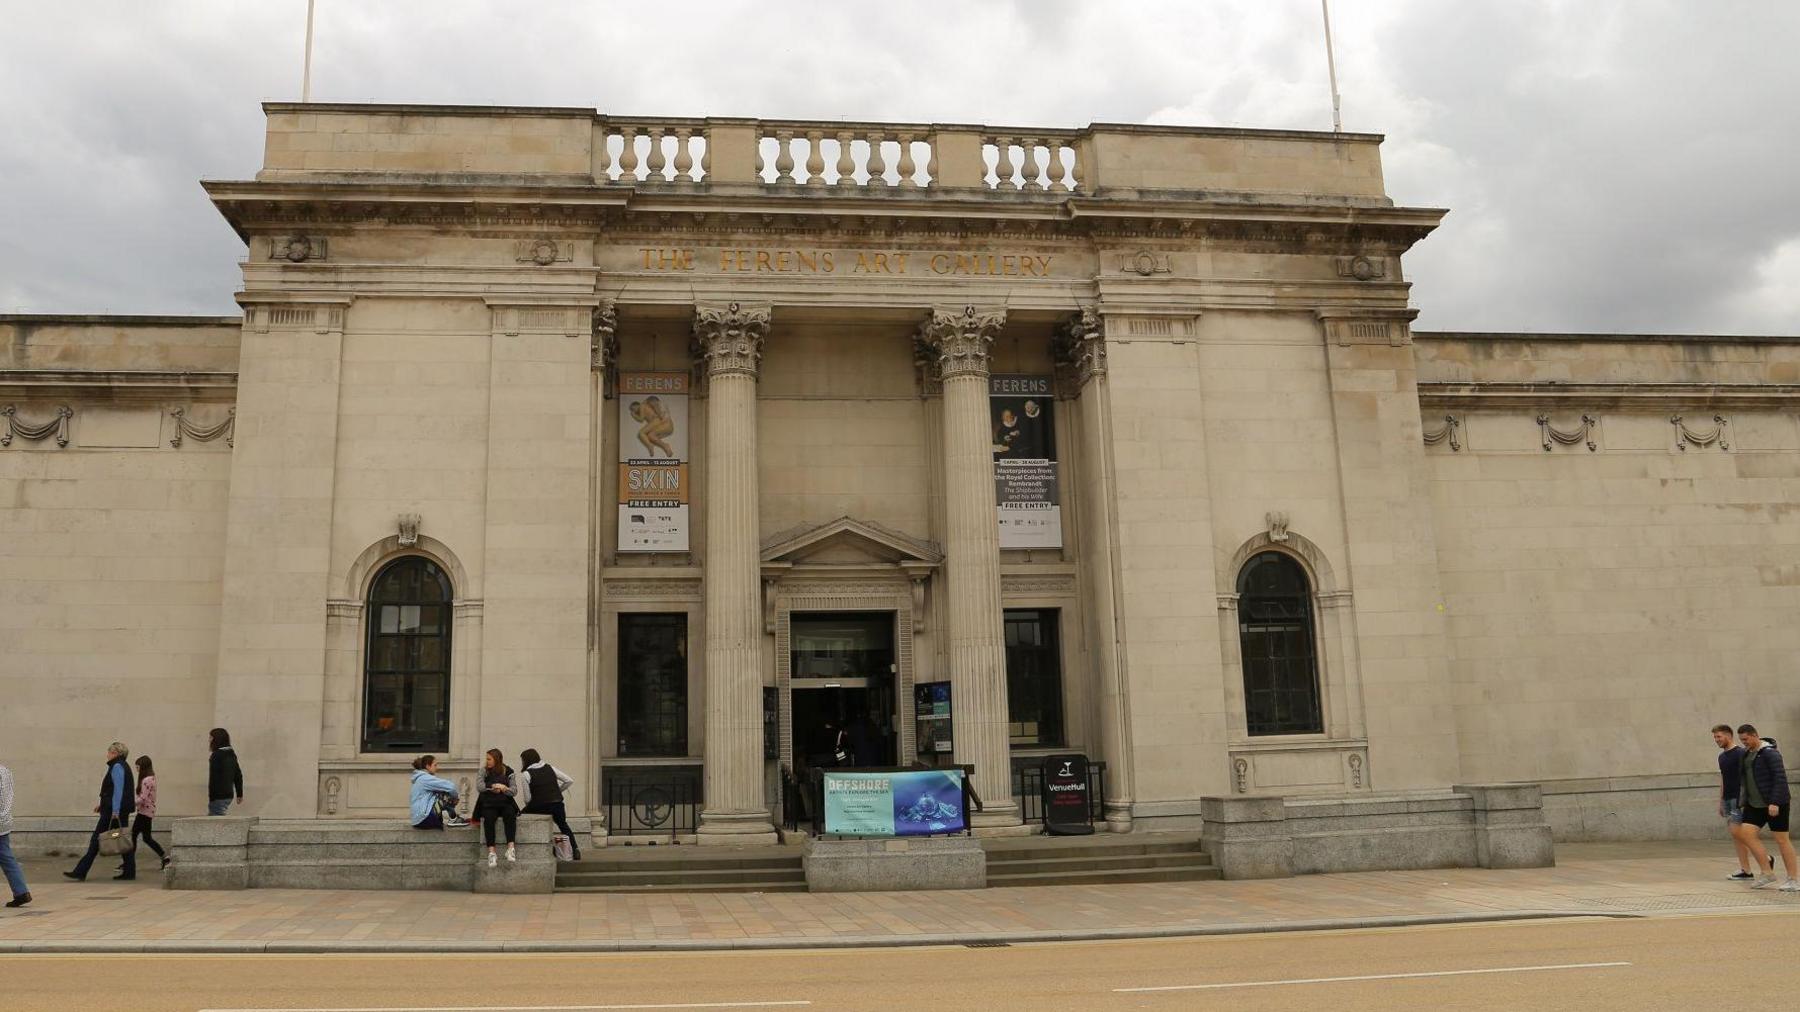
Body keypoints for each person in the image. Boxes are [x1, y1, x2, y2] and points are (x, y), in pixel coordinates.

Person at [1732, 724, 1798, 891]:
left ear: (1755, 735)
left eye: (1746, 739)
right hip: (1754, 804)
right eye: (1741, 740)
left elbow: (1780, 777)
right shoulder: (1747, 754)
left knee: (1782, 840)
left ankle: (1793, 879)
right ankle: (1767, 873)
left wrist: (1775, 802)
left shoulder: (1770, 753)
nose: (1744, 743)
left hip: (1775, 803)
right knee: (1746, 834)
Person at [65, 741, 135, 882]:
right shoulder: (122, 766)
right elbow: (114, 791)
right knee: (122, 838)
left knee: (97, 839)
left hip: (113, 813)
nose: (107, 755)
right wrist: (102, 805)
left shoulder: (116, 767)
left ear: (115, 753)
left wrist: (114, 809)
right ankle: (129, 871)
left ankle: (81, 871)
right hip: (115, 810)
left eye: (109, 752)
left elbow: (118, 790)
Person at [1714, 724, 1770, 880]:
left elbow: (1749, 777)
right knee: (1736, 836)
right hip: (1728, 799)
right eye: (1715, 737)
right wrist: (1721, 801)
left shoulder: (1740, 753)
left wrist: (1746, 799)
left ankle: (1765, 859)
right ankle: (1745, 869)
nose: (1716, 740)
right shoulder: (1721, 757)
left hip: (1739, 799)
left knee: (1740, 833)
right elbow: (1724, 779)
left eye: (1719, 736)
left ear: (1728, 735)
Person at [517, 748, 579, 861]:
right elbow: (569, 780)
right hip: (557, 804)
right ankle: (575, 850)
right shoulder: (550, 768)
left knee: (520, 816)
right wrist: (557, 791)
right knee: (563, 826)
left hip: (539, 806)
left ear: (526, 761)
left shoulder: (526, 774)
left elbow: (527, 799)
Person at [472, 748, 519, 867]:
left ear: (496, 759)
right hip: (489, 802)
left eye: (489, 759)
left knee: (510, 815)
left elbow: (514, 791)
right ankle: (492, 853)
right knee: (488, 818)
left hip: (505, 802)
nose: (487, 761)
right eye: (487, 759)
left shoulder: (508, 771)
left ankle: (511, 848)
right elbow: (480, 787)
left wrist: (504, 788)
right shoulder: (484, 771)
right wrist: (492, 786)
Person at [0, 763, 31, 907]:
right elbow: (10, 794)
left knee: (6, 857)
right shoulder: (5, 771)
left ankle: (21, 892)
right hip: (4, 821)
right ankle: (21, 892)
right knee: (7, 858)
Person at [132, 755, 169, 871]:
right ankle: (165, 857)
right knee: (146, 838)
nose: (136, 769)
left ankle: (128, 862)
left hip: (144, 812)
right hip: (147, 811)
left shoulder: (146, 780)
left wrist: (130, 803)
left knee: (133, 835)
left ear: (142, 767)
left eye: (137, 767)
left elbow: (143, 798)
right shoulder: (150, 778)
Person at [408, 755, 465, 829]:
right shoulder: (425, 778)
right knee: (446, 795)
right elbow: (451, 787)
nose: (437, 768)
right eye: (435, 765)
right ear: (428, 766)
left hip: (418, 819)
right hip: (424, 818)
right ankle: (453, 819)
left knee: (441, 792)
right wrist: (455, 798)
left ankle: (453, 818)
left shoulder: (420, 779)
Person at [207, 727, 243, 816]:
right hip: (228, 794)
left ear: (216, 739)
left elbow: (214, 778)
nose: (209, 740)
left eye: (211, 737)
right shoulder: (231, 753)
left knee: (215, 822)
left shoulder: (216, 755)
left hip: (218, 795)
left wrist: (212, 797)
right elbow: (238, 775)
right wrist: (239, 794)